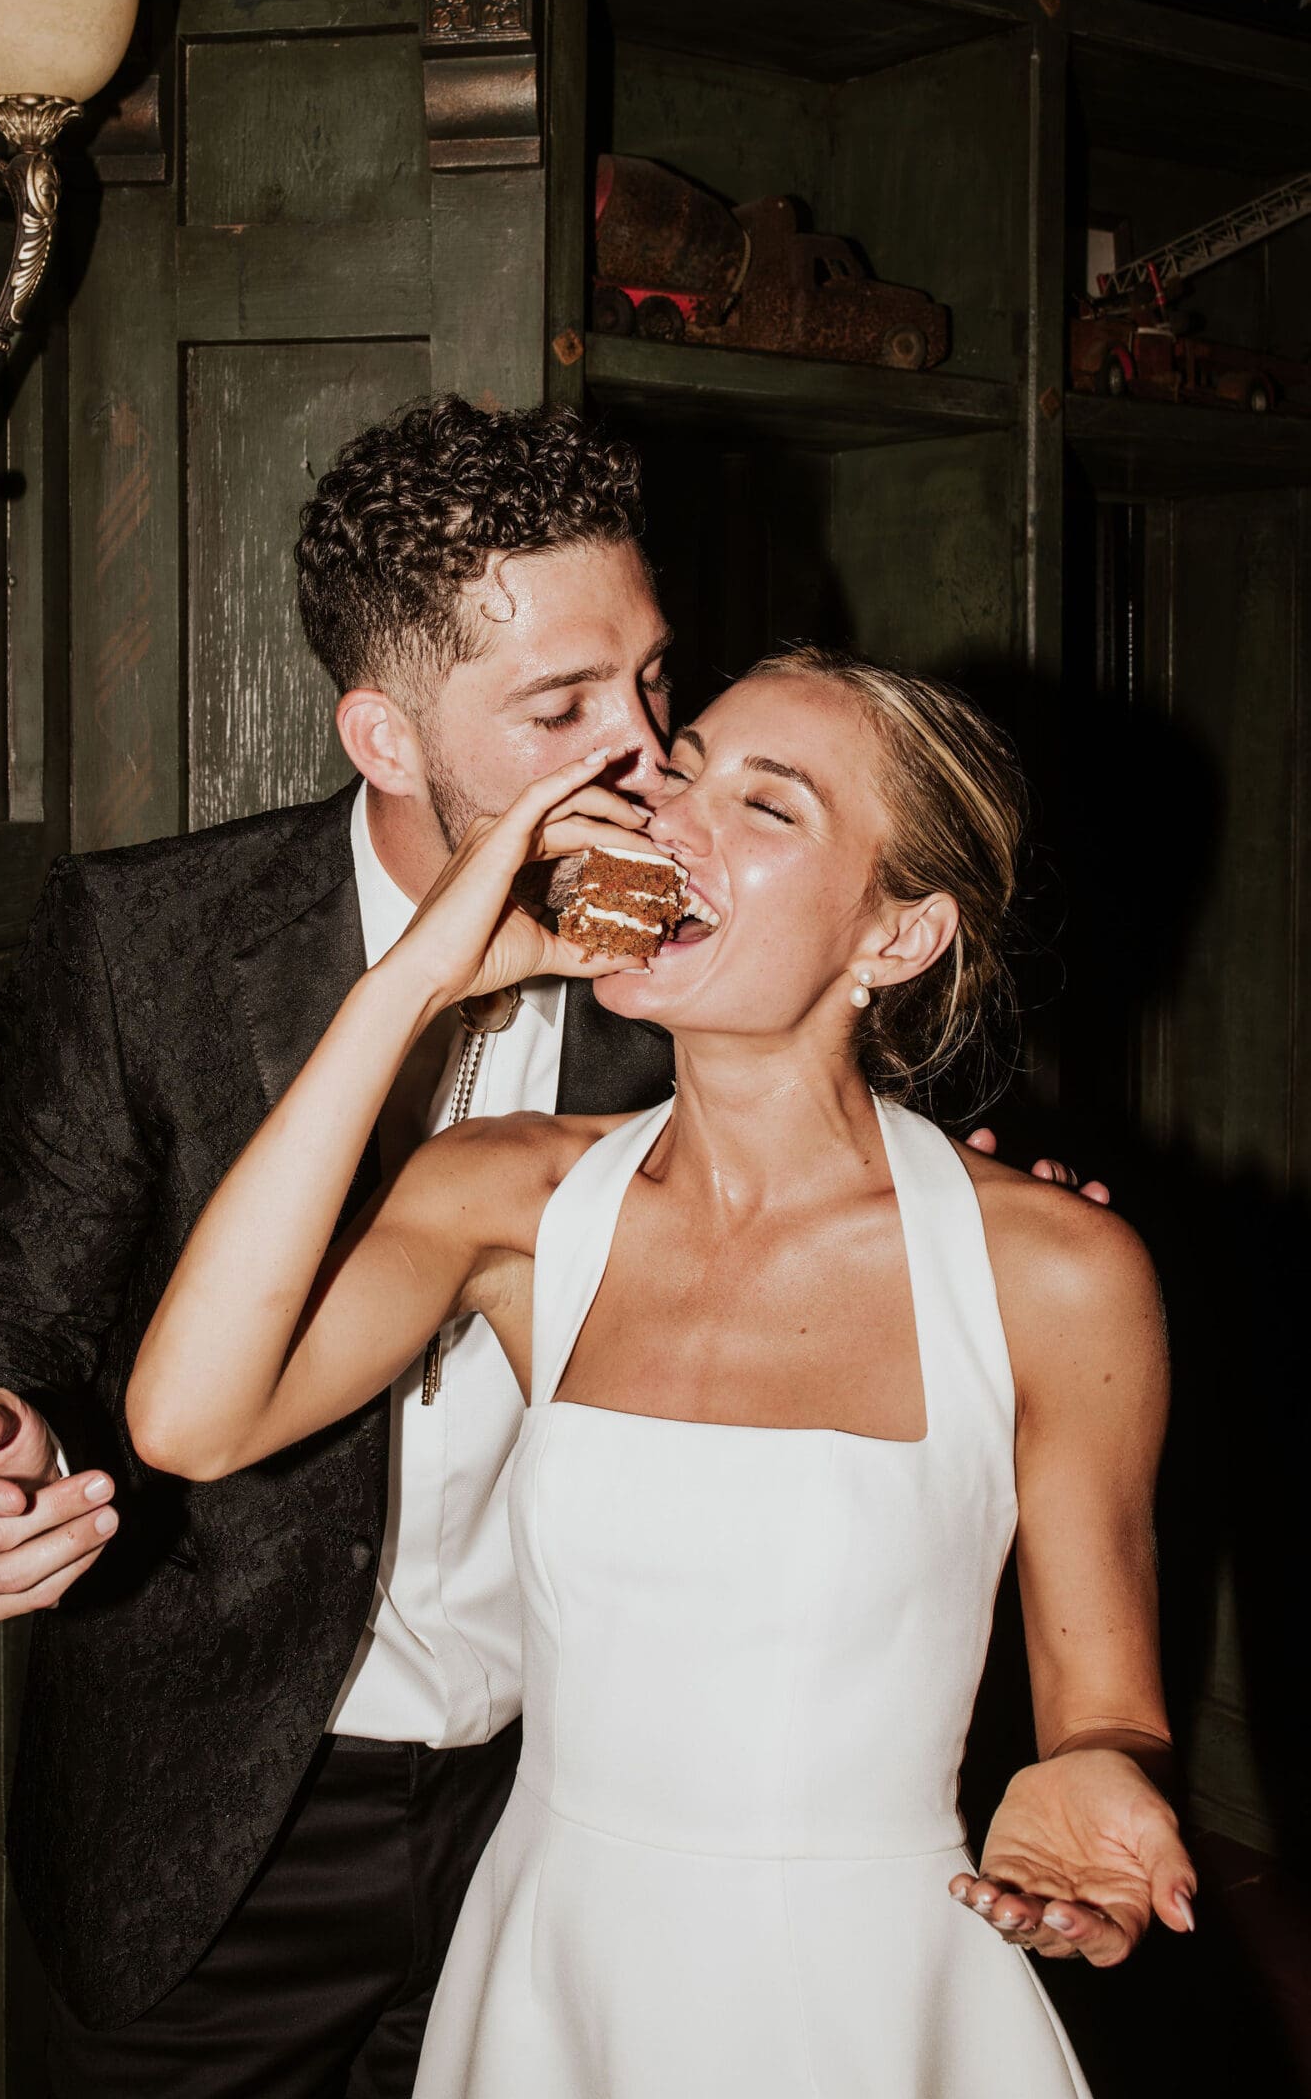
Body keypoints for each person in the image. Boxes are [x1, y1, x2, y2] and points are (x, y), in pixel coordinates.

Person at [0, 399, 1105, 2095]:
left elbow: (859, 1144)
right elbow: (5, 1302)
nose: (645, 757)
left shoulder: (688, 945)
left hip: (564, 1801)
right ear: (385, 738)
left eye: (656, 682)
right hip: (227, 1802)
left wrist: (984, 1218)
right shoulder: (146, 937)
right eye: (563, 709)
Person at [126, 644, 1193, 2098]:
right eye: (678, 775)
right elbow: (187, 1421)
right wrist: (420, 975)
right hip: (553, 1967)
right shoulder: (509, 1197)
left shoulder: (1056, 1271)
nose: (667, 819)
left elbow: (1106, 1696)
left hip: (869, 1986)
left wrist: (1101, 1767)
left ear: (898, 935)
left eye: (767, 804)